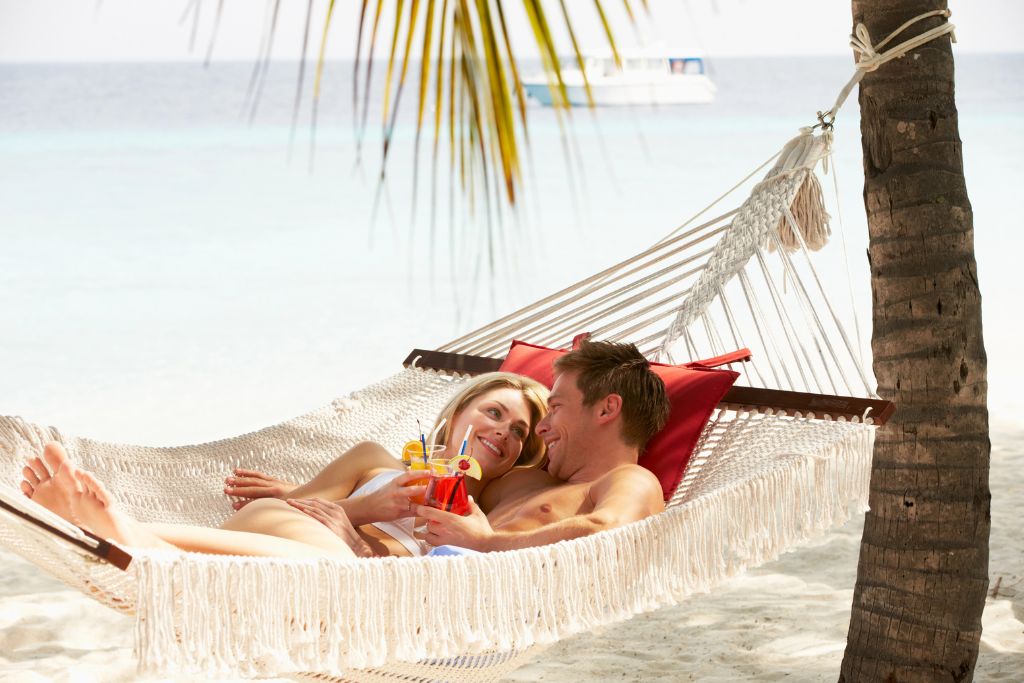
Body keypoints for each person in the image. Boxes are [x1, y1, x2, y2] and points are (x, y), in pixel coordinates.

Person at [19, 372, 549, 560]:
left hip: (332, 571)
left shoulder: (484, 516)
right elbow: (295, 505)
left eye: (518, 432)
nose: (502, 431)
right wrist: (362, 508)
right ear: (459, 413)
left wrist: (362, 541)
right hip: (290, 530)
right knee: (329, 565)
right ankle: (124, 530)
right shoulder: (374, 458)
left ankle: (126, 534)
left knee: (331, 570)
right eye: (494, 412)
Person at [234, 339, 672, 553]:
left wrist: (485, 542)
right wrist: (311, 494)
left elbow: (607, 531)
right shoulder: (532, 483)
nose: (541, 429)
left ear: (606, 409)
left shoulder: (630, 479)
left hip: (427, 603)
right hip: (380, 574)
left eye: (554, 408)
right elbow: (450, 481)